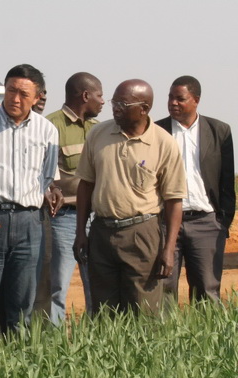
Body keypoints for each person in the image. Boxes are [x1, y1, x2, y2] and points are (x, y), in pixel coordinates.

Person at [74, 79, 187, 313]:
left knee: (143, 310)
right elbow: (85, 186)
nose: (115, 109)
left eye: (122, 104)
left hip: (141, 233)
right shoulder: (98, 134)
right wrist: (81, 232)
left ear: (144, 109)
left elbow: (174, 200)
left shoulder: (164, 143)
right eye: (114, 102)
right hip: (102, 232)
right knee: (104, 310)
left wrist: (168, 249)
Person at [0, 64, 59, 340]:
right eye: (10, 91)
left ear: (38, 98)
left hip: (29, 222)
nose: (15, 99)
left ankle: (16, 356)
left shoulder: (47, 130)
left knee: (22, 301)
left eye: (23, 94)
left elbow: (47, 176)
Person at [156, 76, 235, 303]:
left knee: (207, 290)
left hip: (206, 223)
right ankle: (166, 328)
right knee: (163, 288)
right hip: (165, 223)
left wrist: (222, 222)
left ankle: (206, 328)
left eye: (180, 98)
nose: (173, 103)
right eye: (170, 97)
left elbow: (226, 182)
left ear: (196, 100)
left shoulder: (219, 131)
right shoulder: (157, 131)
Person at [43, 72, 104, 324]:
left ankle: (98, 336)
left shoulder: (99, 130)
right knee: (57, 284)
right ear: (86, 95)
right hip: (64, 219)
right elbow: (42, 173)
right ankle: (54, 338)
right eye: (99, 95)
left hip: (97, 218)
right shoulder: (50, 126)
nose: (103, 101)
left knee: (98, 284)